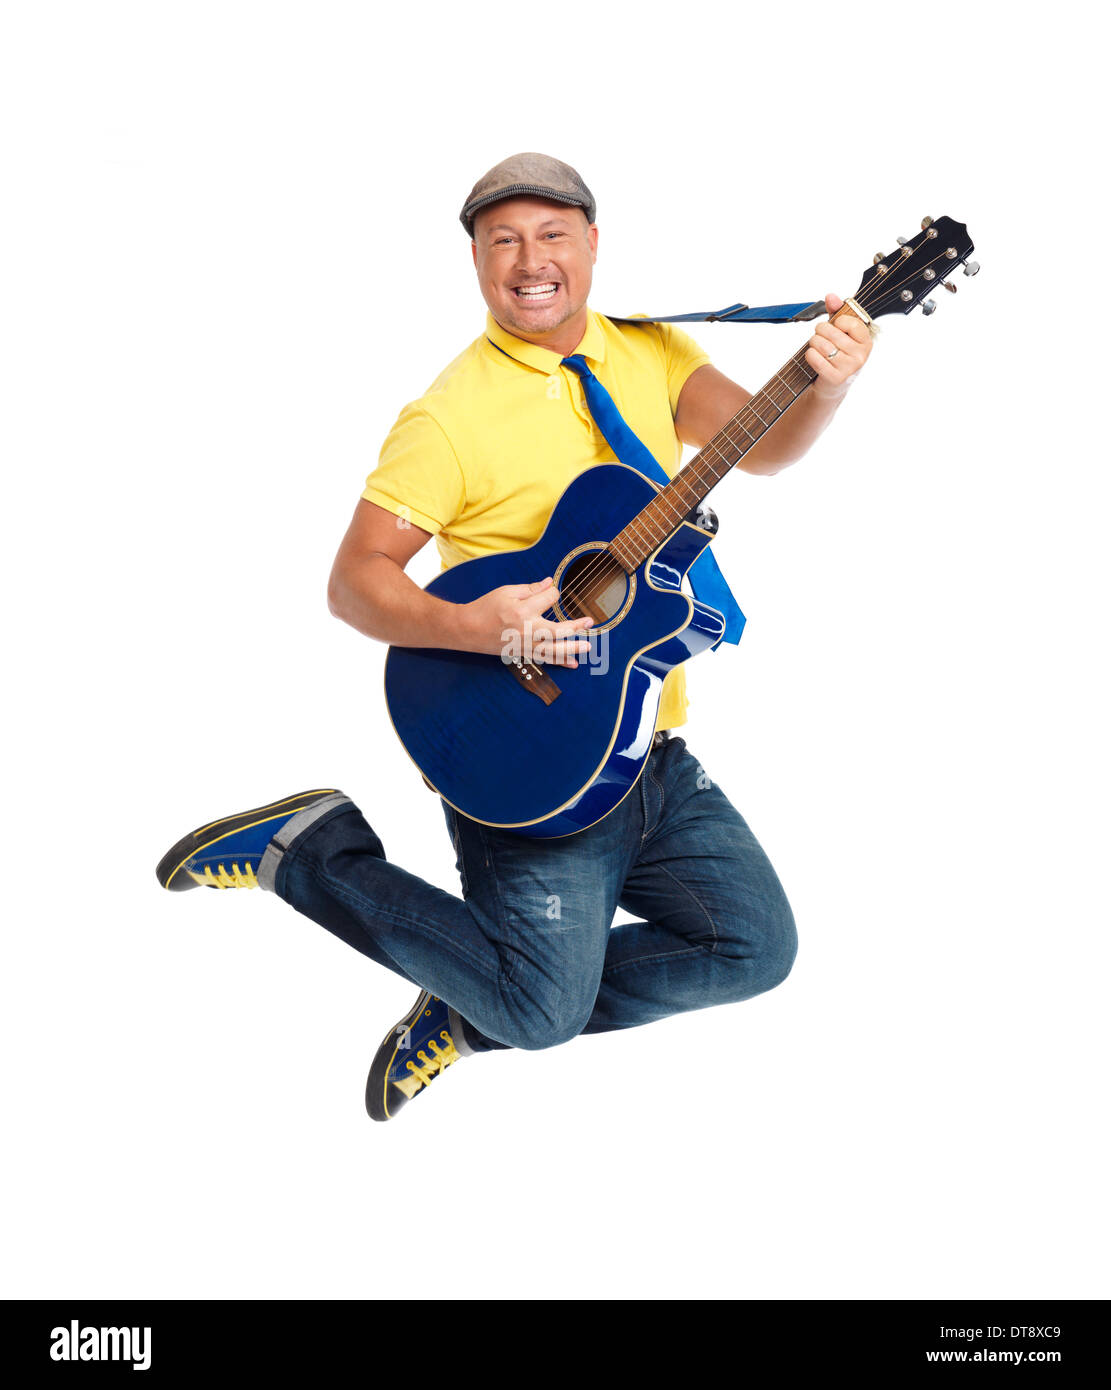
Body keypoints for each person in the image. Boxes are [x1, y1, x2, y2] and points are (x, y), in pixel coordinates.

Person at [155, 153, 873, 1121]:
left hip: (644, 753)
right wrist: (473, 627)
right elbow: (352, 582)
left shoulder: (648, 351)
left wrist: (823, 385)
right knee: (542, 1013)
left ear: (591, 245)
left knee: (753, 948)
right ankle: (309, 849)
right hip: (529, 757)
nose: (530, 261)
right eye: (503, 242)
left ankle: (475, 997)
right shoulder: (448, 416)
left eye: (551, 235)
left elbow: (761, 446)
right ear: (477, 262)